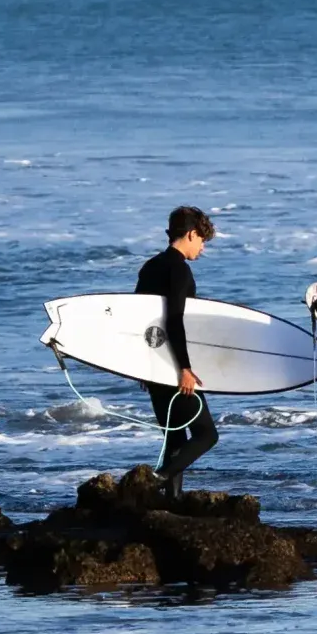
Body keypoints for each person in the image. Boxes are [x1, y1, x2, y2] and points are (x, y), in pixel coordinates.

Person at [137, 206, 220, 487]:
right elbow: (174, 321)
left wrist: (139, 365)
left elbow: (138, 321)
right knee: (206, 435)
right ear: (191, 234)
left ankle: (172, 502)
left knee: (174, 437)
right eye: (202, 241)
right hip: (173, 366)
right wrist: (184, 368)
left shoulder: (150, 267)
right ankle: (159, 479)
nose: (202, 248)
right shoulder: (179, 270)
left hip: (153, 365)